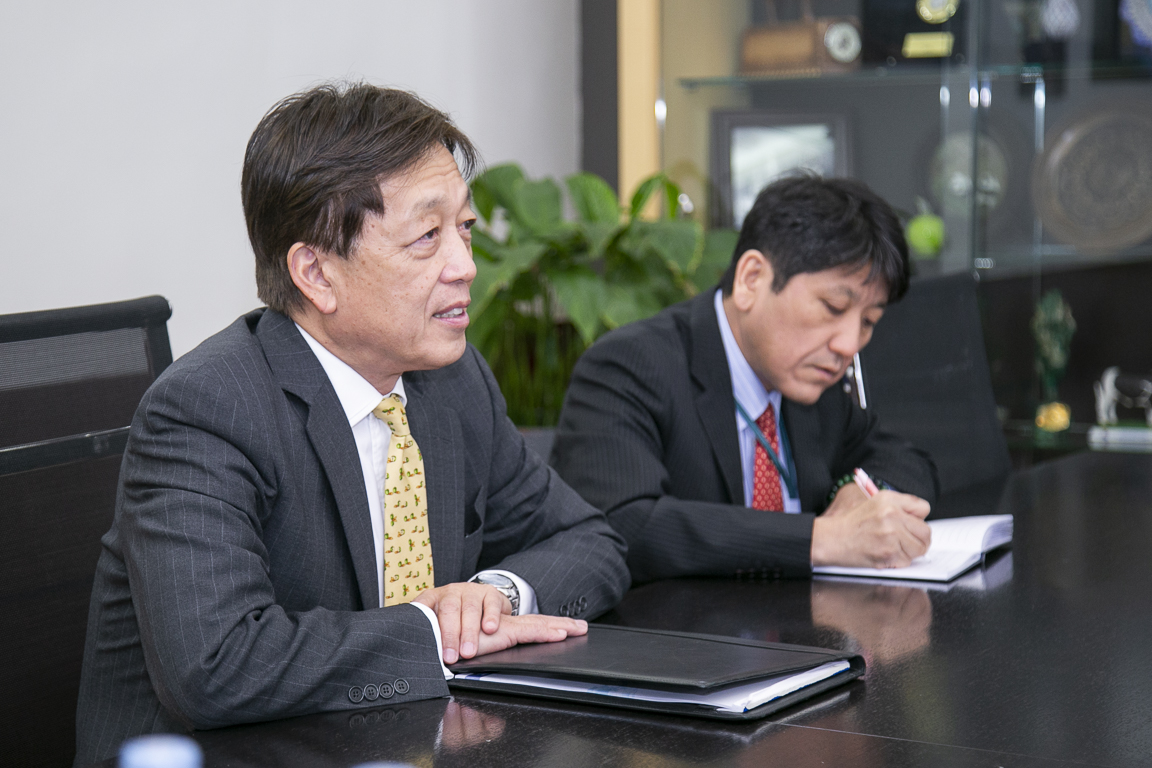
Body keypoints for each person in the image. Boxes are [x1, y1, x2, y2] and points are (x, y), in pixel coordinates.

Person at [74, 83, 630, 765]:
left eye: (464, 228)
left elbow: (590, 541)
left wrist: (493, 598)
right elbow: (217, 666)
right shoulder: (207, 410)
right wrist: (434, 632)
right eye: (427, 237)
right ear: (316, 273)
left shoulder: (451, 383)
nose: (465, 266)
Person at [550, 175, 938, 584]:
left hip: (806, 619)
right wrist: (822, 539)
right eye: (833, 306)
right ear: (752, 279)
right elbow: (624, 525)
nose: (848, 344)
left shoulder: (814, 383)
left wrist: (860, 492)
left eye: (868, 321)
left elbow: (907, 461)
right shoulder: (630, 366)